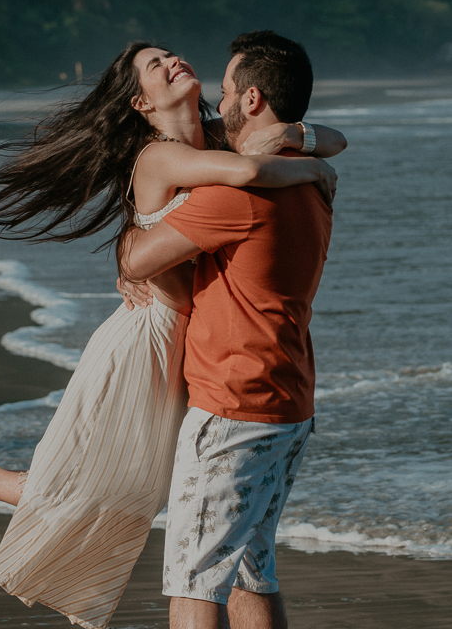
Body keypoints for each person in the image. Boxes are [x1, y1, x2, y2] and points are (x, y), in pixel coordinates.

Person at [0, 36, 344, 629]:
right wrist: (311, 160)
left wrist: (299, 138)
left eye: (174, 58)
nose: (174, 63)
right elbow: (236, 180)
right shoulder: (190, 164)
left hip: (210, 362)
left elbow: (305, 143)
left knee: (156, 505)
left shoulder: (219, 148)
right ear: (140, 103)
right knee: (128, 488)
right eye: (155, 65)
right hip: (156, 339)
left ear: (249, 101)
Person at [119, 31, 336, 629]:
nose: (219, 102)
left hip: (233, 407)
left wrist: (132, 240)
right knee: (250, 569)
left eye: (226, 92)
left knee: (194, 582)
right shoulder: (310, 177)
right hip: (288, 401)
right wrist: (302, 139)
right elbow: (326, 142)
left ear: (253, 99)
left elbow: (136, 260)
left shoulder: (235, 196)